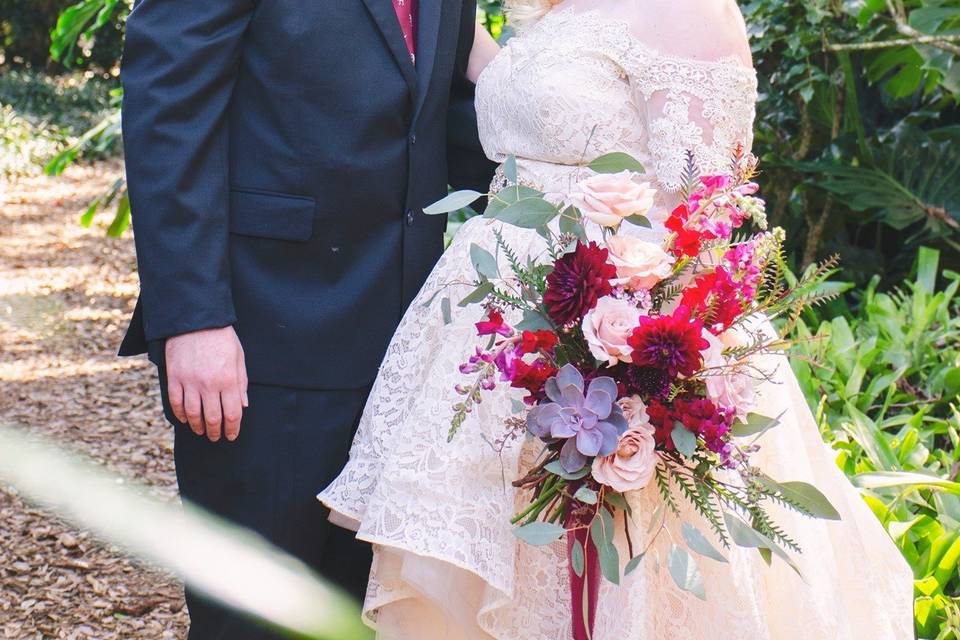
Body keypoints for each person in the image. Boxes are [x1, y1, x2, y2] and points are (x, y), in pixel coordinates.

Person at [319, 0, 915, 638]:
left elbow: (697, 210)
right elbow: (531, 104)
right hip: (494, 332)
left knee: (607, 573)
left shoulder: (692, 12)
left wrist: (618, 353)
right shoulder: (557, 9)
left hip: (600, 326)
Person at [117, 0, 495, 637]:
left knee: (359, 612)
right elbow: (167, 103)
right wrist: (193, 318)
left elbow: (441, 113)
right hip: (260, 337)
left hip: (404, 349)